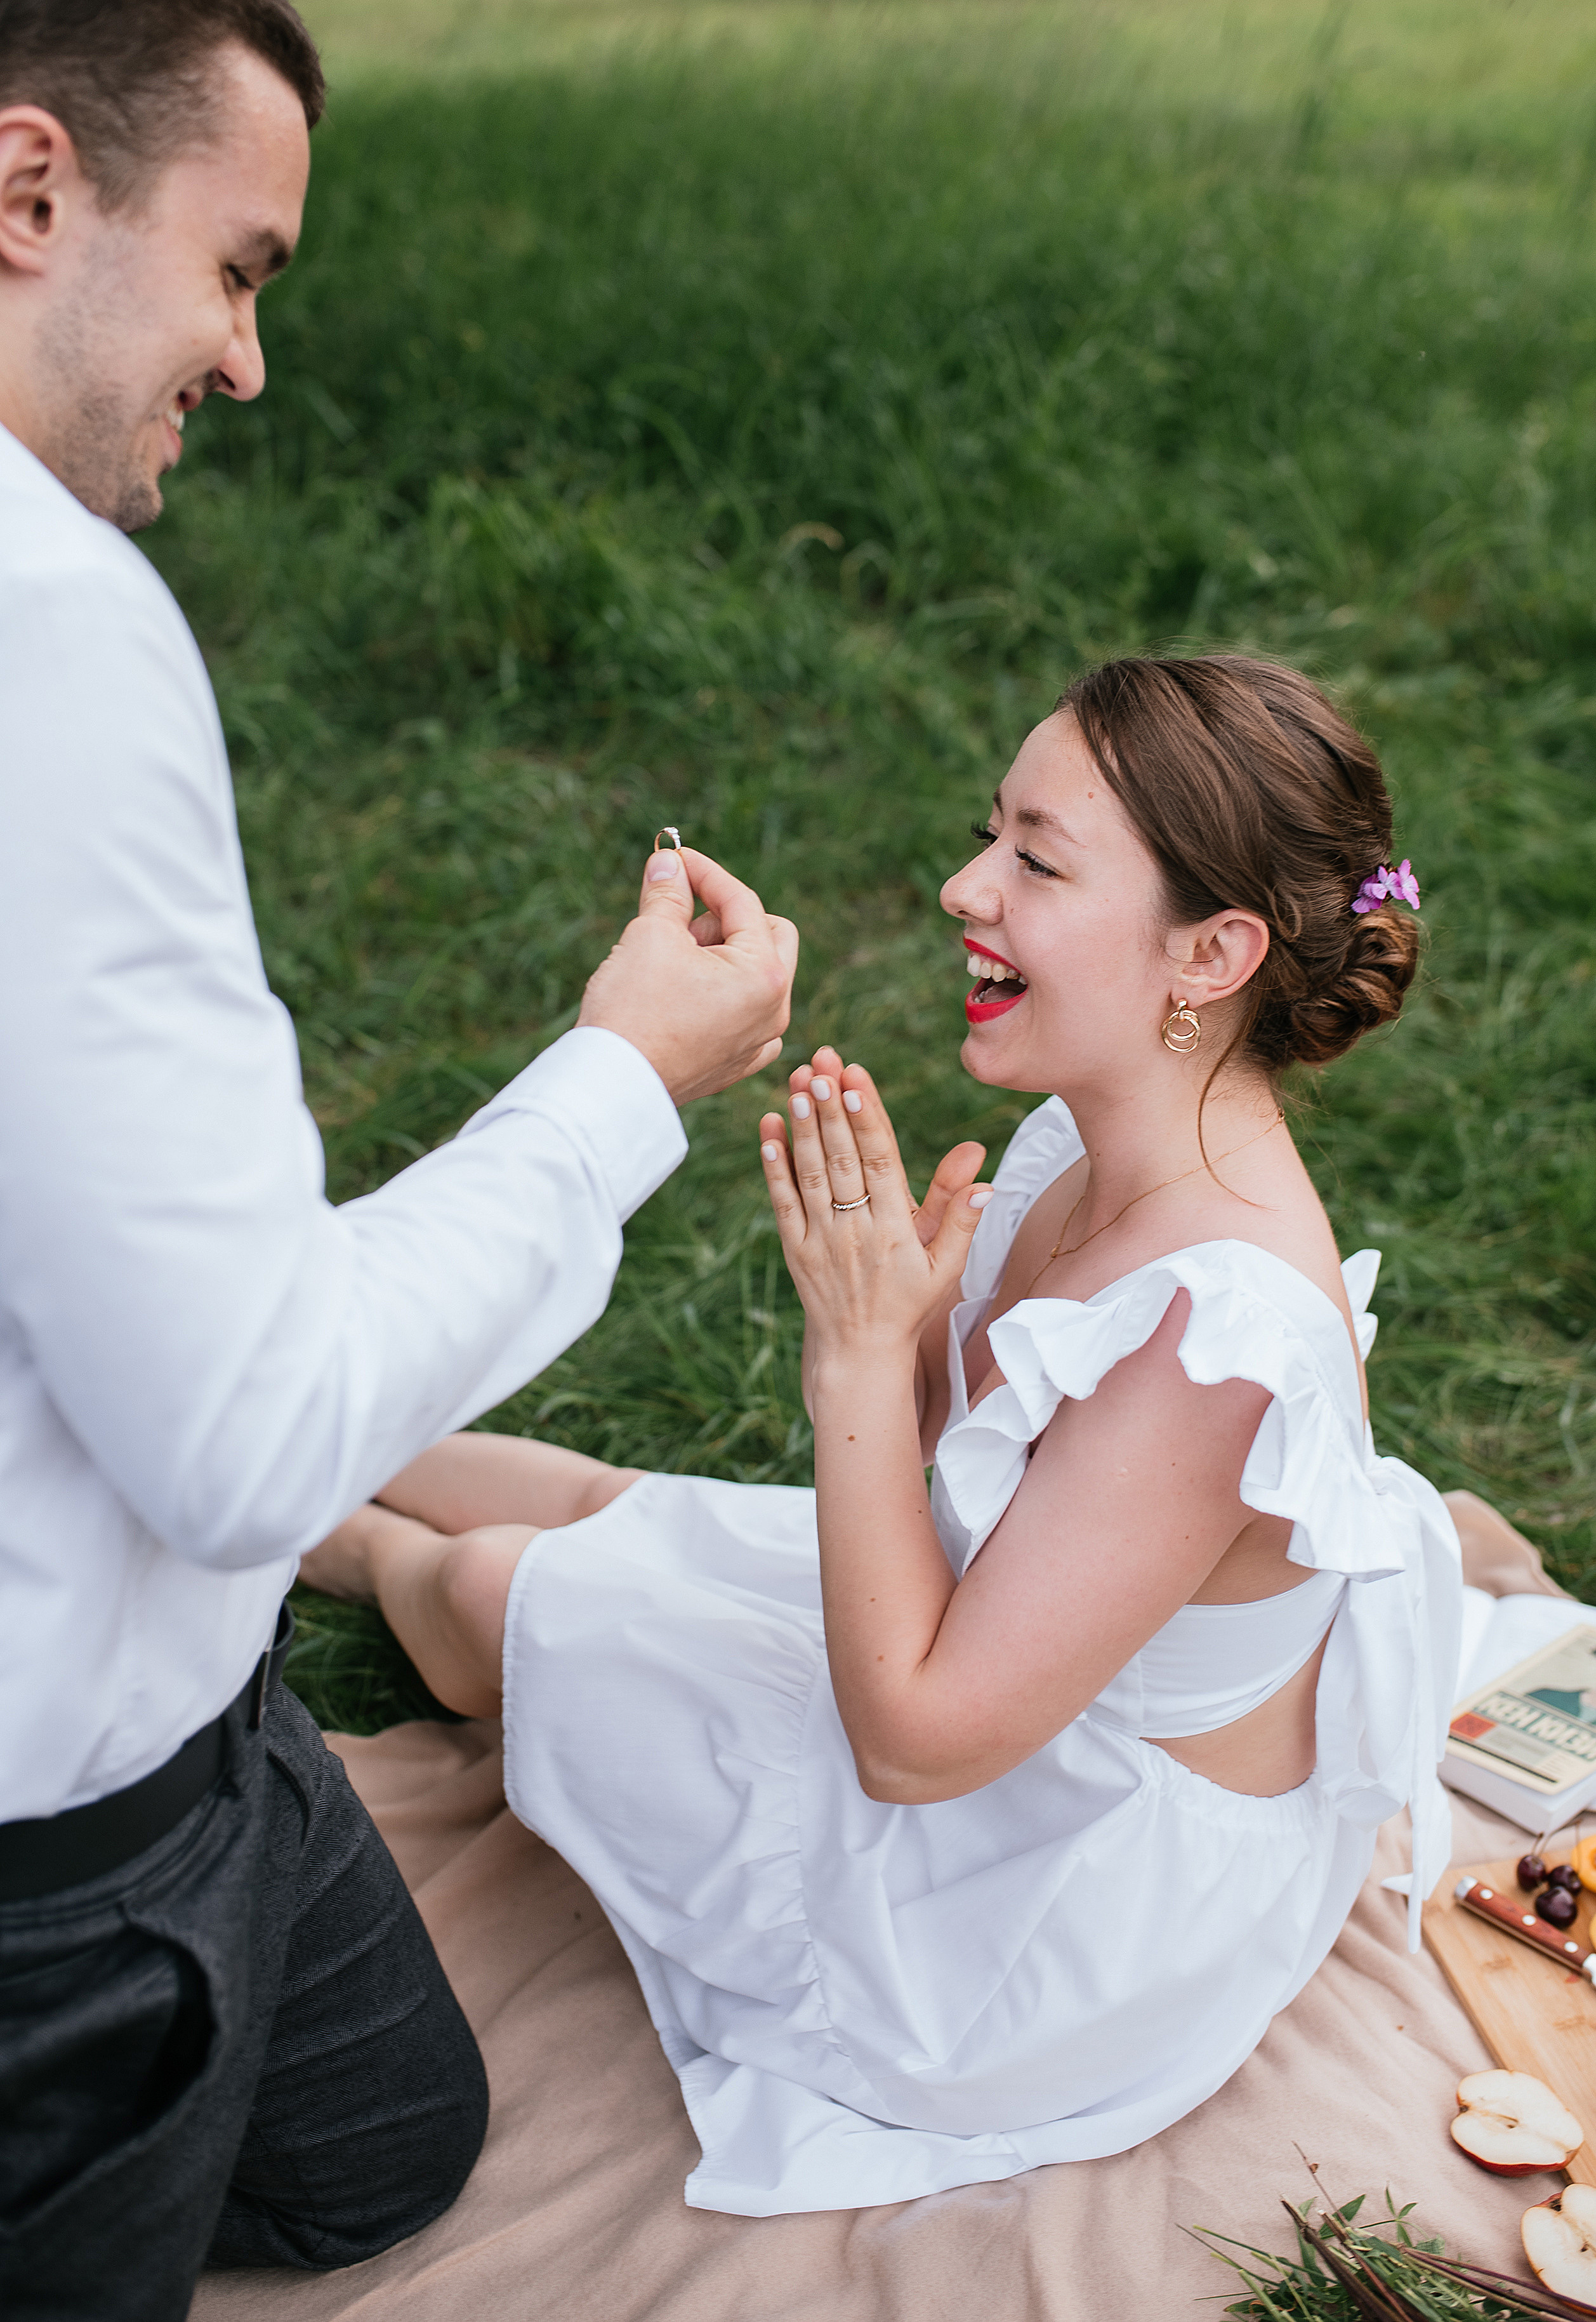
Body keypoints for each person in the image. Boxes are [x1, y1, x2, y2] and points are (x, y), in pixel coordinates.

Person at [0, 0, 795, 2314]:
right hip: (59, 1875)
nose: (249, 354)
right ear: (27, 184)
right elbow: (243, 1437)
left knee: (390, 2150)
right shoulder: (50, 633)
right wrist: (623, 1076)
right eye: (237, 267)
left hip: (203, 1720)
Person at [303, 653, 1465, 2217]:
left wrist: (855, 1369)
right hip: (1010, 1689)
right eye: (993, 832)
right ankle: (289, 1394)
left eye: (1035, 862)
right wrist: (913, 1337)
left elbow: (913, 1745)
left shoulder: (1215, 1339)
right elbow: (984, 1475)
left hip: (1033, 1913)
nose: (960, 885)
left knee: (497, 1586)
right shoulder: (1091, 1137)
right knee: (610, 1504)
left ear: (1213, 949)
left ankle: (312, 1532)